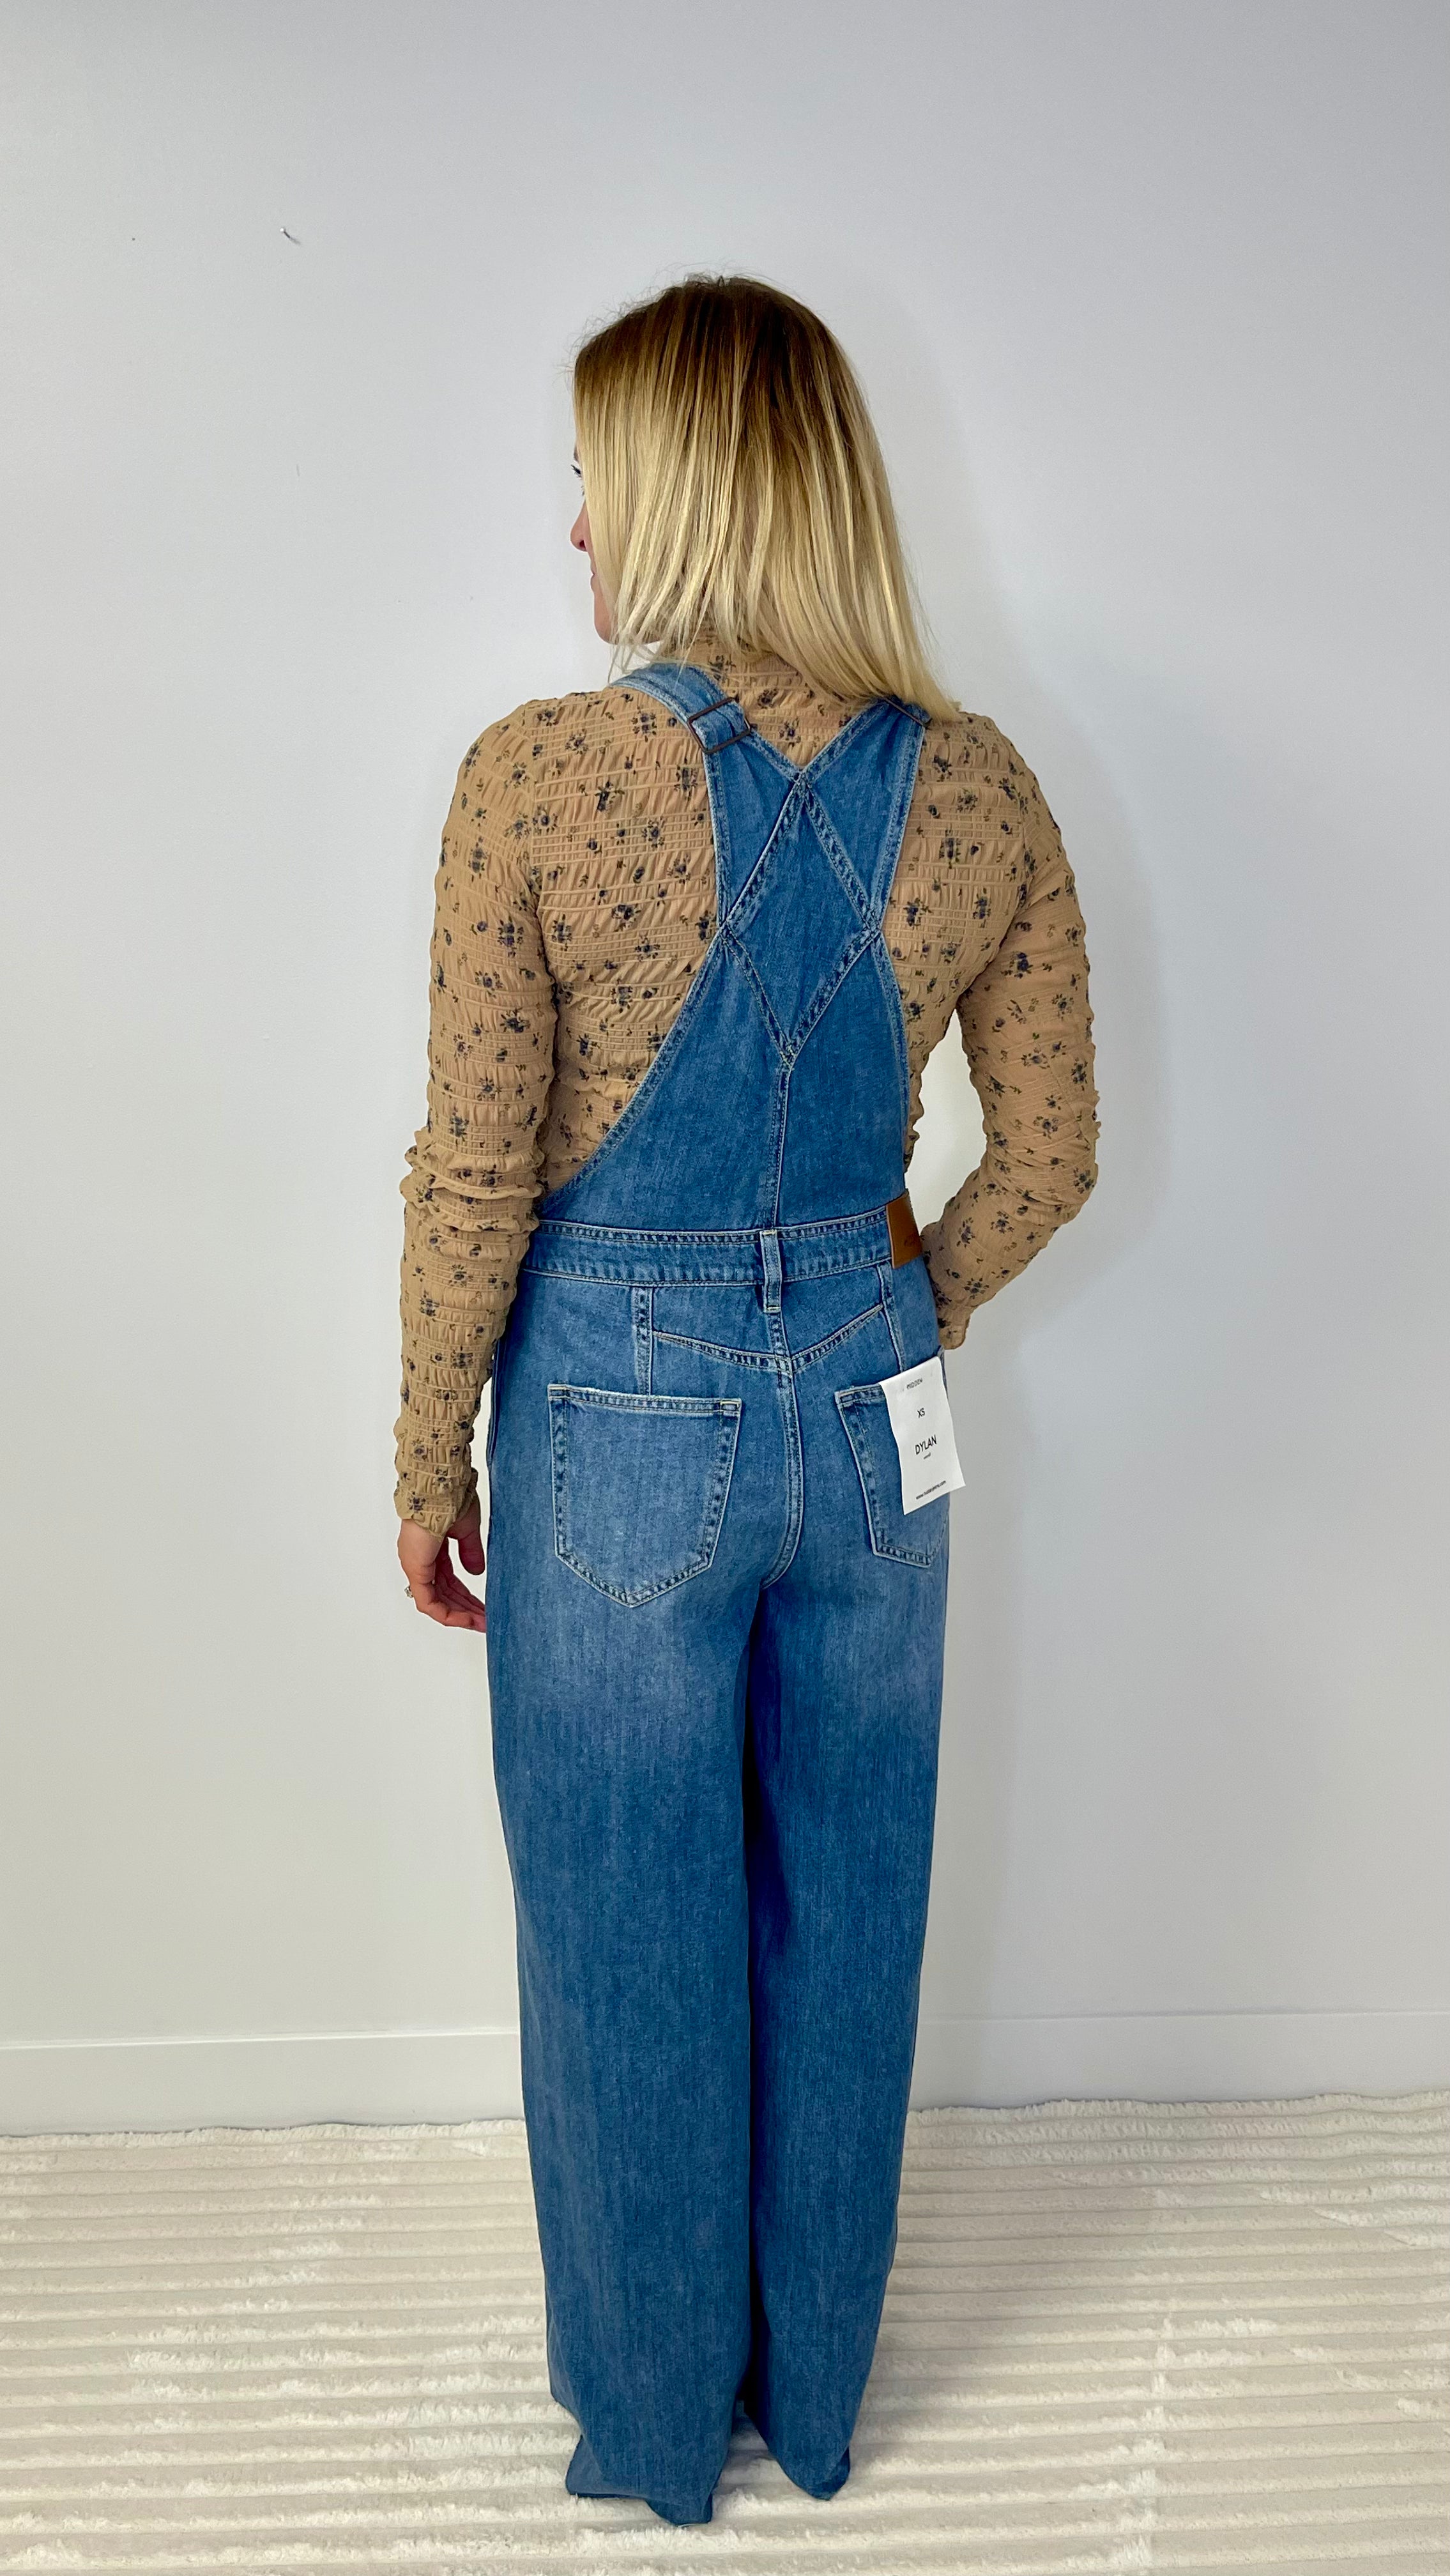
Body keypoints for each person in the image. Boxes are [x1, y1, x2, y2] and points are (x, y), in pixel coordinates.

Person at [394, 274, 1099, 2526]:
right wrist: (901, 1303)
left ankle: (649, 2420)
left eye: (592, 482)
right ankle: (813, 2410)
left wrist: (424, 1455)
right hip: (872, 1430)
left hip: (611, 1431)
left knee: (629, 1937)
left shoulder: (535, 777)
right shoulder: (981, 789)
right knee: (847, 1914)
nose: (575, 531)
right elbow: (1054, 1155)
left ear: (687, 496)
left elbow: (478, 1170)